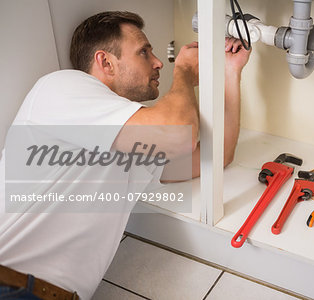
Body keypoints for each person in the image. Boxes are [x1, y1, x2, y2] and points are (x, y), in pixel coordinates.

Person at [0, 11, 250, 300]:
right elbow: (174, 135)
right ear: (105, 61)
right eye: (144, 52)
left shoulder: (131, 139)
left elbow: (215, 156)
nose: (158, 62)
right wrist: (182, 71)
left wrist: (231, 72)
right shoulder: (62, 86)